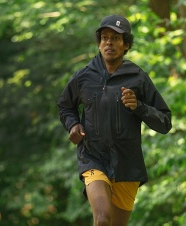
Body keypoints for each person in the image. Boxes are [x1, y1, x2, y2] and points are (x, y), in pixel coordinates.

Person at [57, 15, 172, 226]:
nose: (109, 42)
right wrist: (73, 124)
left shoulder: (138, 77)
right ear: (99, 43)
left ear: (126, 44)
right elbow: (65, 106)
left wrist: (139, 107)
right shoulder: (84, 76)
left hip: (127, 165)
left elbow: (165, 122)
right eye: (104, 37)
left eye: (116, 38)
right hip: (93, 157)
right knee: (102, 219)